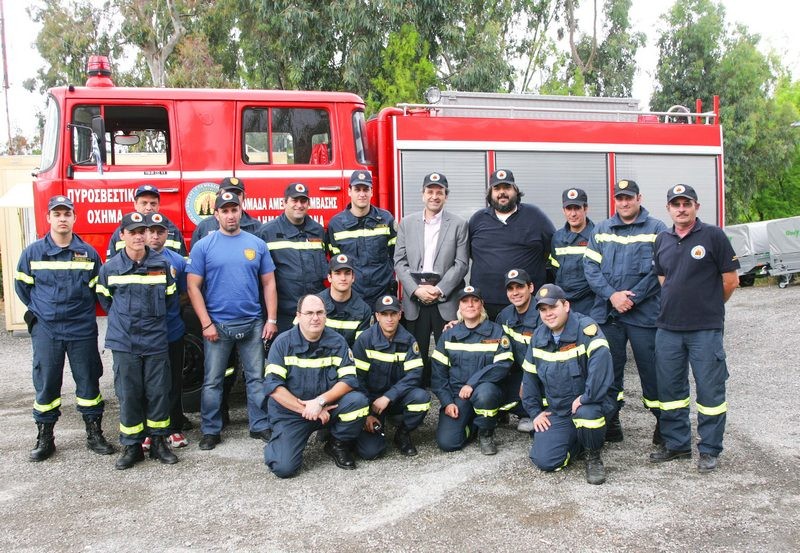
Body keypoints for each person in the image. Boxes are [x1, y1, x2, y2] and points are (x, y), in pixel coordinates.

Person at [15, 195, 114, 462]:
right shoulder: (33, 253)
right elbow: (23, 288)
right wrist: (43, 312)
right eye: (57, 214)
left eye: (66, 214)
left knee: (89, 381)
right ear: (48, 218)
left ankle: (94, 435)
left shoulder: (88, 253)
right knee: (46, 384)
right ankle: (45, 437)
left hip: (81, 327)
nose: (62, 219)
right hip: (47, 329)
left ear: (74, 218)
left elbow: (98, 290)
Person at [650, 185, 739, 473]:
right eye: (675, 204)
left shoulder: (713, 236)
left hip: (705, 329)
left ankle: (710, 449)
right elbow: (664, 278)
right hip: (668, 329)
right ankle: (677, 445)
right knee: (670, 390)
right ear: (668, 209)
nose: (681, 208)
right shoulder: (662, 239)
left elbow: (730, 281)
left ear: (696, 207)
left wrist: (710, 304)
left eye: (686, 203)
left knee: (710, 393)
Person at [186, 191, 278, 450]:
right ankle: (211, 430)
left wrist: (270, 319)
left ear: (241, 211)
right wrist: (205, 323)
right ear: (216, 215)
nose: (230, 215)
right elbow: (193, 286)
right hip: (218, 327)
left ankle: (259, 425)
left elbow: (269, 282)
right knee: (213, 381)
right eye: (224, 211)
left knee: (256, 379)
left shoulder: (256, 243)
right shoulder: (204, 245)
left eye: (234, 210)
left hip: (253, 324)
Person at [583, 179, 667, 445]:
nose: (624, 202)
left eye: (629, 197)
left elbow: (660, 271)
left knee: (652, 372)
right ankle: (612, 421)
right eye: (620, 198)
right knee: (609, 372)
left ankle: (662, 424)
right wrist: (612, 295)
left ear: (639, 198)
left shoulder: (657, 229)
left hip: (644, 315)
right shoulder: (601, 230)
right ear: (615, 201)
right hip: (609, 315)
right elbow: (590, 269)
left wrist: (633, 298)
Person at [96, 212, 179, 469]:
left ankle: (158, 443)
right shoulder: (109, 268)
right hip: (125, 342)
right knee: (129, 395)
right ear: (122, 235)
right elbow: (105, 299)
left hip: (155, 341)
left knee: (158, 393)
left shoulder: (161, 265)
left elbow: (170, 298)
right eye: (132, 232)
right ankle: (132, 446)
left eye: (141, 231)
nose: (139, 236)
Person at [264, 294, 370, 477]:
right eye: (309, 313)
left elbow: (349, 380)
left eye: (320, 312)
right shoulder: (282, 343)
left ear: (326, 315)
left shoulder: (337, 342)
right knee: (284, 468)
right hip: (292, 414)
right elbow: (274, 388)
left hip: (327, 407)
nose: (315, 318)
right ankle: (282, 442)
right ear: (298, 316)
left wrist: (319, 402)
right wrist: (307, 409)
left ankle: (337, 443)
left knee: (358, 401)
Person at [522, 284, 615, 485]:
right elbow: (529, 377)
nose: (548, 314)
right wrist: (535, 412)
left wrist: (586, 398)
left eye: (552, 307)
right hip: (559, 411)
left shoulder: (587, 329)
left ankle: (593, 456)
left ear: (566, 305)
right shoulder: (538, 336)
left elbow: (601, 371)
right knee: (545, 461)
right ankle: (580, 442)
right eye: (543, 310)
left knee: (587, 414)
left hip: (591, 404)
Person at [394, 172, 469, 386]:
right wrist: (416, 290)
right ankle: (416, 396)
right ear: (422, 194)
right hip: (415, 299)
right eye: (430, 191)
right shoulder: (406, 224)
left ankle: (451, 392)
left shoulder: (459, 224)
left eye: (439, 192)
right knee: (416, 354)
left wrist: (440, 290)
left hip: (445, 299)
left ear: (446, 196)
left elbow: (462, 263)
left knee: (451, 352)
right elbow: (399, 261)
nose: (434, 196)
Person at [431, 286, 513, 455]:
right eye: (465, 301)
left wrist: (472, 383)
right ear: (459, 306)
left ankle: (486, 433)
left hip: (483, 390)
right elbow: (438, 373)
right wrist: (447, 402)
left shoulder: (496, 331)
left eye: (475, 300)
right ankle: (474, 426)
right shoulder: (449, 334)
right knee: (448, 443)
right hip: (458, 395)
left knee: (485, 394)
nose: (470, 305)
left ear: (481, 305)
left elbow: (503, 365)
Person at [468, 169, 555, 320]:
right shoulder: (477, 219)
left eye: (507, 188)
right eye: (497, 188)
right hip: (485, 305)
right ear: (490, 193)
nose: (502, 192)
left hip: (527, 305)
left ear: (515, 190)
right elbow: (468, 253)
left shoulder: (535, 216)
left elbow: (553, 248)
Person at [354, 295, 430, 459]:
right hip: (372, 402)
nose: (389, 319)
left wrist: (389, 396)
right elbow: (356, 380)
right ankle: (367, 429)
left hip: (395, 398)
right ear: (377, 316)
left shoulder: (409, 340)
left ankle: (402, 434)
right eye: (385, 314)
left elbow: (414, 375)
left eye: (393, 314)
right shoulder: (365, 340)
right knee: (370, 452)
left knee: (421, 398)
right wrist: (367, 413)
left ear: (400, 314)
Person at [144, 212, 190, 449]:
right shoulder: (134, 260)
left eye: (159, 232)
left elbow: (185, 293)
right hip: (144, 336)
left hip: (171, 331)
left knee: (173, 380)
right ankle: (148, 430)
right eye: (150, 231)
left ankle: (173, 427)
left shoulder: (177, 262)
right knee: (148, 382)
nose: (154, 236)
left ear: (166, 234)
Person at [258, 182, 328, 332]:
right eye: (294, 201)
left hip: (313, 314)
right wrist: (270, 318)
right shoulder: (267, 233)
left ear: (308, 204)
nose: (299, 205)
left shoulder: (318, 231)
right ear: (284, 202)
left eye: (303, 201)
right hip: (283, 315)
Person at [327, 170, 397, 308]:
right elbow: (335, 262)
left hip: (382, 293)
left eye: (366, 189)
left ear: (372, 191)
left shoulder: (386, 219)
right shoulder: (336, 224)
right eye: (357, 189)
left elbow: (395, 255)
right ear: (349, 191)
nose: (362, 194)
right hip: (352, 295)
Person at [494, 268, 540, 433]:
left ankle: (532, 414)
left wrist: (527, 381)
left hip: (544, 374)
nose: (515, 293)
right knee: (491, 392)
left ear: (531, 288)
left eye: (520, 287)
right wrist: (459, 323)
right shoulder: (505, 315)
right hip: (519, 373)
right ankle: (522, 411)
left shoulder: (544, 313)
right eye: (510, 288)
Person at [106, 184, 186, 259]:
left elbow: (182, 263)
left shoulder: (172, 230)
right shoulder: (123, 230)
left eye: (153, 204)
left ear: (158, 206)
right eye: (144, 203)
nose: (149, 208)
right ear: (135, 204)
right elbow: (110, 266)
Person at [550, 188, 596, 316]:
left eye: (577, 208)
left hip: (590, 303)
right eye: (569, 209)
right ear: (563, 210)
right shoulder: (557, 238)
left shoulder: (596, 237)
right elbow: (554, 269)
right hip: (563, 302)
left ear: (585, 208)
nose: (573, 214)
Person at [319, 254, 373, 346]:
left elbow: (360, 348)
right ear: (329, 277)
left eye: (347, 273)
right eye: (337, 273)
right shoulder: (314, 304)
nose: (343, 278)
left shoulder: (364, 311)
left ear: (353, 277)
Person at [191, 177, 261, 246]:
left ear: (244, 197)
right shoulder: (204, 227)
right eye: (228, 193)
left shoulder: (257, 227)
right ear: (218, 196)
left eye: (237, 194)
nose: (233, 197)